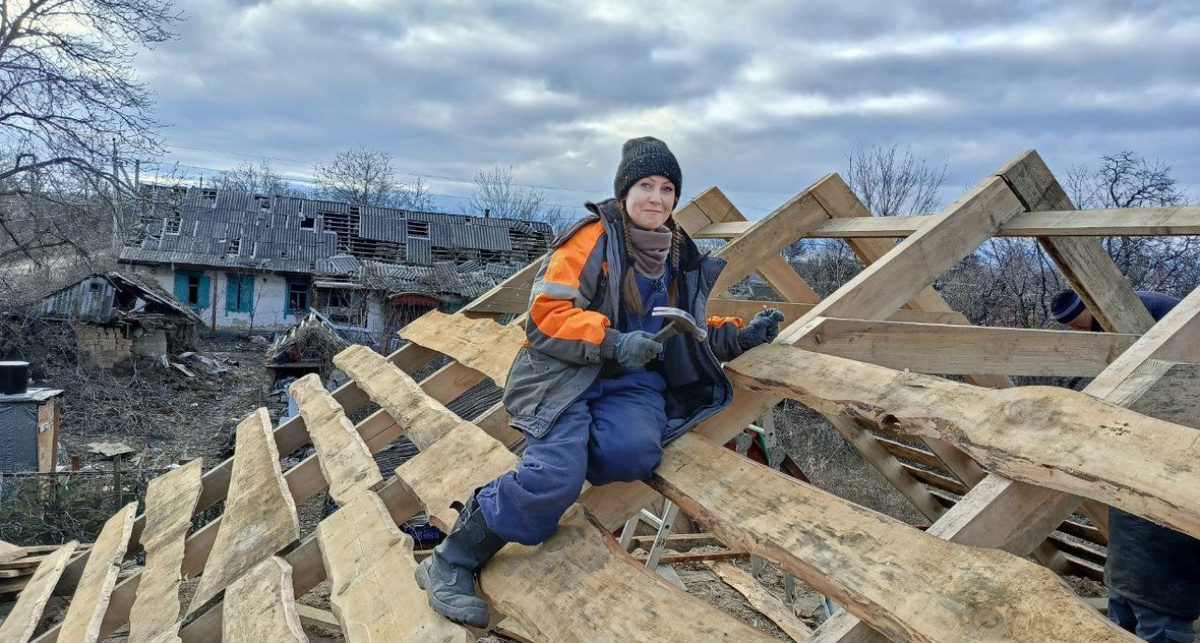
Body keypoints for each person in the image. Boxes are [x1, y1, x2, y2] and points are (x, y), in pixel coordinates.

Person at [415, 137, 784, 627]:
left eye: (667, 188)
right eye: (646, 186)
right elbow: (544, 319)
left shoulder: (678, 253)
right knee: (556, 476)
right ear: (625, 191)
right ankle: (453, 558)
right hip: (562, 375)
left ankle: (539, 489)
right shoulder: (590, 240)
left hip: (628, 383)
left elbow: (682, 329)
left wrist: (739, 338)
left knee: (632, 454)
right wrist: (610, 341)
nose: (656, 197)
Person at [1051, 288, 1200, 643]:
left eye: (1076, 324)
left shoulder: (1139, 315)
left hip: (1150, 548)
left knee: (1149, 621)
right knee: (1139, 615)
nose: (1076, 333)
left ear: (1088, 308)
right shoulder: (1112, 325)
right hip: (1151, 547)